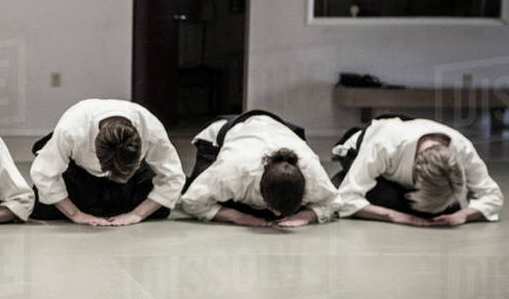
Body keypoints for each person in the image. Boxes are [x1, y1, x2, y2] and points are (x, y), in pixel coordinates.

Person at [30, 98, 185, 226]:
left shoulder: (150, 128)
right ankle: (100, 206)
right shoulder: (72, 129)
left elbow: (173, 176)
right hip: (80, 173)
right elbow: (44, 173)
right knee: (42, 208)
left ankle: (104, 205)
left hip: (130, 178)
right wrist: (76, 215)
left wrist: (137, 215)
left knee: (160, 210)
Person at [332, 115, 501, 226]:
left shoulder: (462, 148)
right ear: (416, 177)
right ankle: (342, 178)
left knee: (450, 210)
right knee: (391, 200)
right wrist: (393, 216)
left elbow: (493, 196)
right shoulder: (384, 144)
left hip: (408, 137)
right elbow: (346, 198)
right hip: (359, 149)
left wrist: (464, 215)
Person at [180, 110, 339, 227]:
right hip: (221, 137)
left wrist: (307, 215)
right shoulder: (231, 171)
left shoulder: (311, 171)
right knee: (203, 190)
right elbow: (191, 201)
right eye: (274, 208)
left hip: (280, 129)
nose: (277, 215)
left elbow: (334, 202)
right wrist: (237, 216)